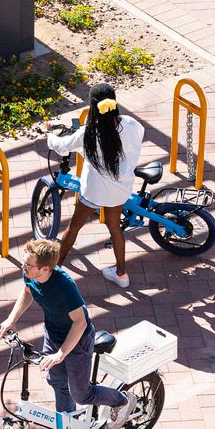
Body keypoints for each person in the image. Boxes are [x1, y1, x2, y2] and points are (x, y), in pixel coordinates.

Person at [0, 238, 136, 429]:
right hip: (53, 335)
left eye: (28, 265)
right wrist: (11, 319)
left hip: (77, 341)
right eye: (23, 263)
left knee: (81, 393)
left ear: (45, 268)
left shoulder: (64, 285)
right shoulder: (30, 273)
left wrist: (61, 354)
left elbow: (80, 323)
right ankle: (66, 425)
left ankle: (123, 401)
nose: (23, 267)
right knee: (57, 382)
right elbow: (27, 291)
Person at [47, 83, 145, 288]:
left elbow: (62, 147)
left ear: (93, 107)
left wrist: (49, 136)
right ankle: (121, 274)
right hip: (120, 192)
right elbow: (137, 137)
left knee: (73, 228)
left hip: (93, 192)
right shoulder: (131, 124)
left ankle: (54, 274)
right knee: (114, 227)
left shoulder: (88, 133)